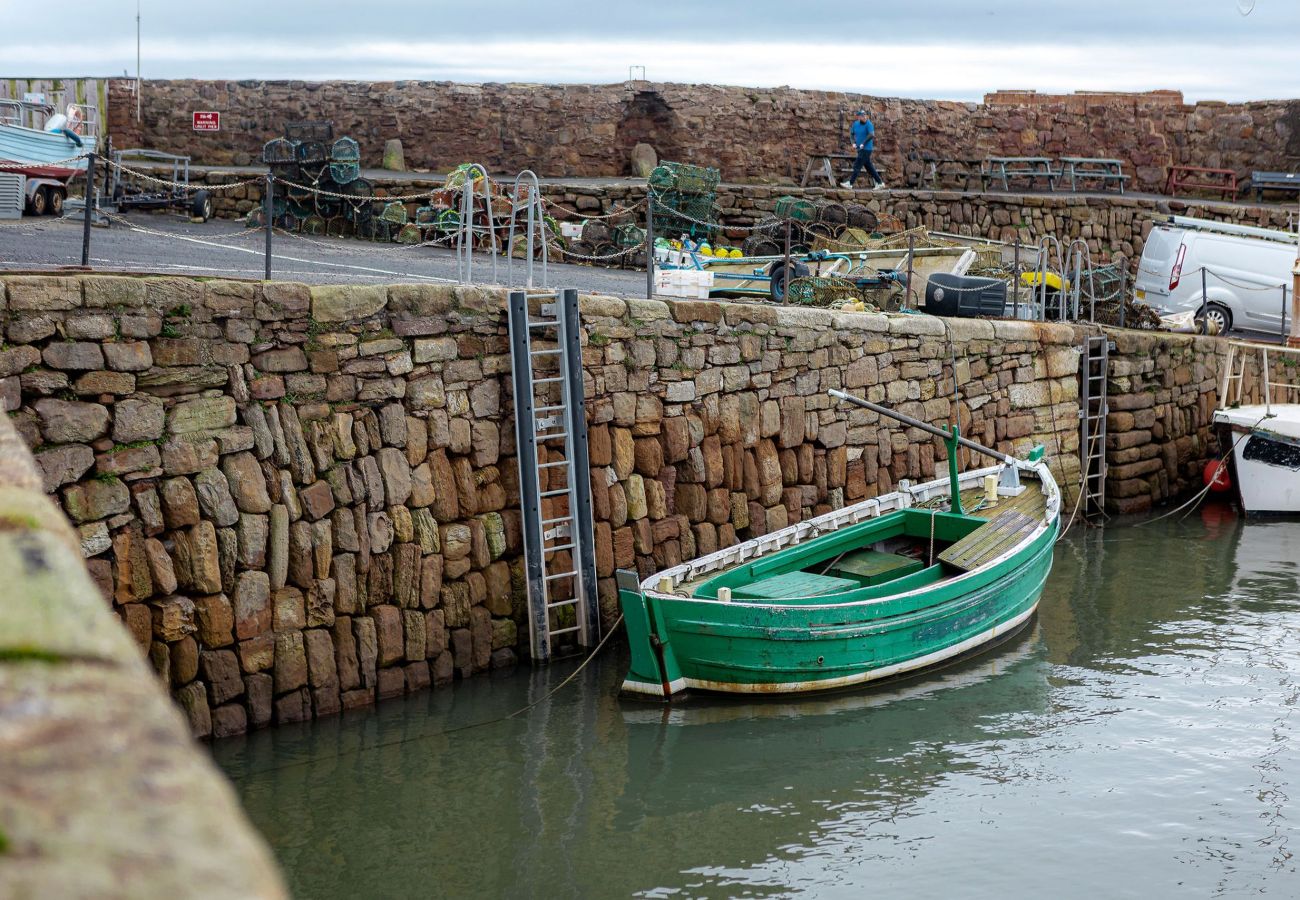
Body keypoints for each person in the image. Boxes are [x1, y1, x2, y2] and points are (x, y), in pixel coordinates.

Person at [841, 109, 885, 191]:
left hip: (867, 149)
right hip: (860, 149)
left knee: (857, 165)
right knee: (869, 167)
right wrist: (853, 142)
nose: (864, 117)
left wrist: (863, 143)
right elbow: (851, 134)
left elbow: (871, 135)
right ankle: (880, 183)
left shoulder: (869, 124)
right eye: (862, 116)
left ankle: (850, 184)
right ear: (858, 117)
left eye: (865, 115)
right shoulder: (856, 124)